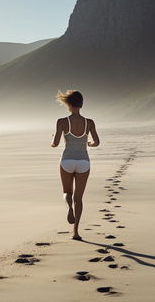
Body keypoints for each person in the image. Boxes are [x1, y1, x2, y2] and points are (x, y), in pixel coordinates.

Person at [51, 90, 100, 241]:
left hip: (67, 161)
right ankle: (76, 232)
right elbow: (96, 142)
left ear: (68, 104)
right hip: (84, 162)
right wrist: (89, 144)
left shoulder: (62, 122)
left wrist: (52, 140)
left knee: (67, 192)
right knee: (79, 198)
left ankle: (69, 208)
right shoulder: (89, 122)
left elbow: (56, 143)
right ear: (82, 104)